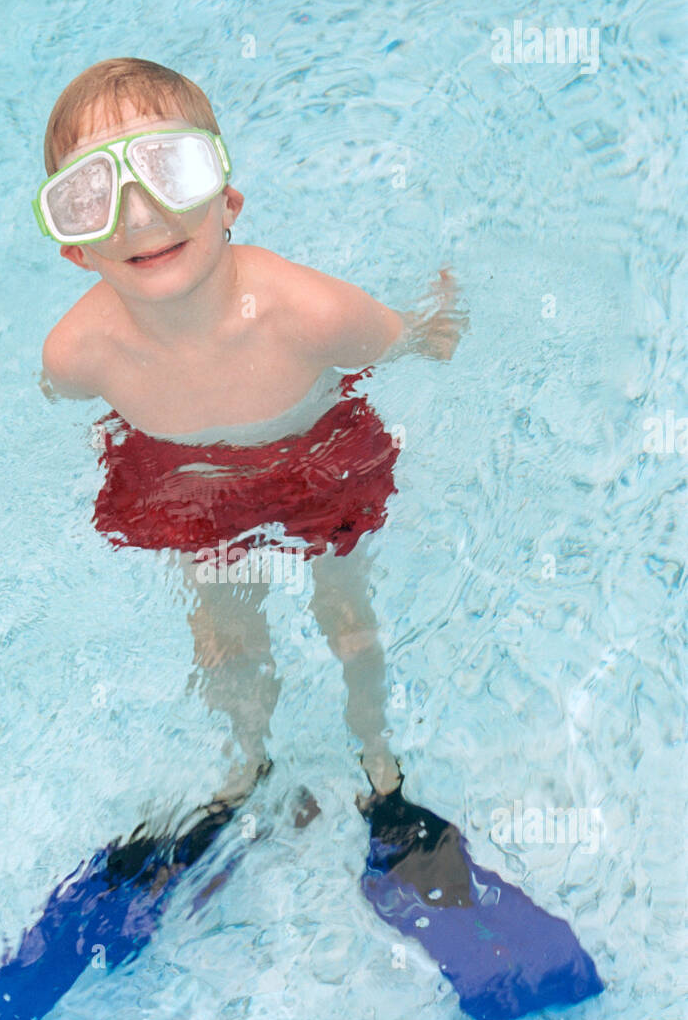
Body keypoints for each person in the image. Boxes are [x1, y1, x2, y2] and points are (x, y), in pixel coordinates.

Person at [37, 57, 464, 811]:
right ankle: (247, 767)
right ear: (75, 248)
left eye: (170, 170)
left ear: (227, 200)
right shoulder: (79, 353)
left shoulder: (308, 313)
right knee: (225, 640)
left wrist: (440, 320)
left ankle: (378, 765)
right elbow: (62, 409)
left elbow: (408, 341)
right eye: (92, 197)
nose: (139, 215)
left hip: (318, 462)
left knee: (347, 619)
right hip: (185, 484)